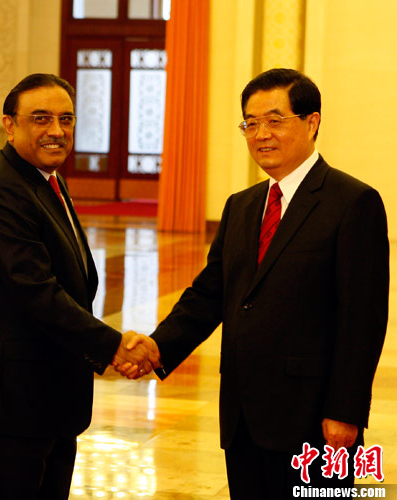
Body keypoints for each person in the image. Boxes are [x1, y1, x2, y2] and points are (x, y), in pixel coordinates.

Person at [118, 68, 389, 498]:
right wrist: (157, 347)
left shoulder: (353, 202)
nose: (261, 134)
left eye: (275, 120)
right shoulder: (242, 206)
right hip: (242, 414)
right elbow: (209, 295)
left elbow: (363, 319)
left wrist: (345, 410)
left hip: (313, 418)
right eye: (251, 123)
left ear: (312, 122)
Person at [0, 73, 159, 500]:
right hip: (5, 407)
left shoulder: (46, 179)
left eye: (66, 118)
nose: (57, 130)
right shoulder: (0, 191)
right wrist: (113, 346)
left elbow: (72, 281)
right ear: (10, 125)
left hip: (48, 400)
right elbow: (37, 292)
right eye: (41, 118)